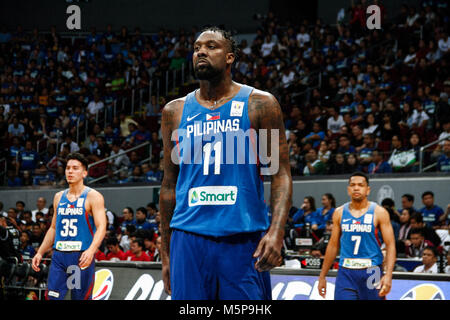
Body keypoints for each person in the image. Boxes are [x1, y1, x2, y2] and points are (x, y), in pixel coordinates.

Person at [159, 27, 292, 300]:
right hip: (188, 237)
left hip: (243, 239)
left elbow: (280, 175)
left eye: (211, 46)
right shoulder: (175, 111)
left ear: (230, 57)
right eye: (197, 48)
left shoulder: (260, 104)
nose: (201, 52)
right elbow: (169, 186)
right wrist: (166, 252)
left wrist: (277, 231)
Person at [31, 153, 107, 300]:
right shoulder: (59, 196)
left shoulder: (93, 196)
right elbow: (53, 228)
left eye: (75, 168)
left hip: (80, 257)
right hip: (59, 255)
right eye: (67, 168)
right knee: (52, 298)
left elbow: (101, 226)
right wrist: (40, 252)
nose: (70, 171)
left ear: (84, 173)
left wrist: (91, 250)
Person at [318, 172, 396, 300]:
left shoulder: (379, 212)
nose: (356, 188)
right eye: (352, 185)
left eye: (360, 185)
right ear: (348, 189)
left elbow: (390, 245)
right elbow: (333, 245)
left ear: (368, 190)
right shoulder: (339, 212)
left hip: (372, 271)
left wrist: (388, 275)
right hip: (346, 272)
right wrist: (322, 276)